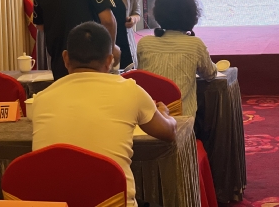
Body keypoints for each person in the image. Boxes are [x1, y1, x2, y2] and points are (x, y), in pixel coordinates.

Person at [32, 22, 176, 207]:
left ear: (65, 58)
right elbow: (168, 132)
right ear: (109, 61)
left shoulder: (42, 99)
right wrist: (164, 114)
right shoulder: (130, 90)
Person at [137, 0, 217, 117]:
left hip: (150, 118)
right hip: (182, 120)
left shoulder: (144, 43)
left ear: (158, 15)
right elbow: (210, 74)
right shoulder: (195, 44)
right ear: (192, 16)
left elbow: (142, 77)